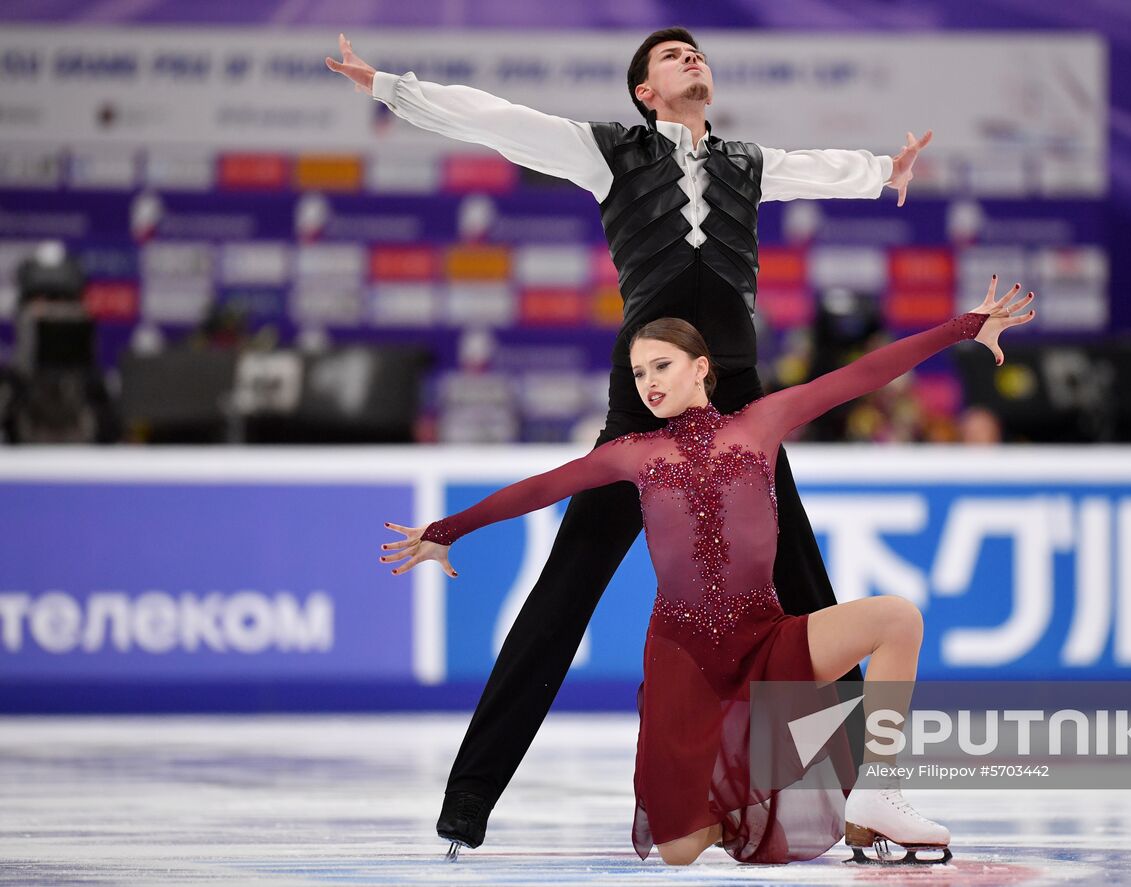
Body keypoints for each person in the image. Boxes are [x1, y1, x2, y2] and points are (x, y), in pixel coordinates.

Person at [327, 27, 937, 849]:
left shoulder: (747, 164)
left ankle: (864, 801)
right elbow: (499, 119)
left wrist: (880, 173)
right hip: (646, 398)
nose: (693, 60)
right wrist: (391, 87)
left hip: (740, 402)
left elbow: (820, 166)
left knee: (807, 585)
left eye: (697, 53)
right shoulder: (605, 151)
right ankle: (468, 800)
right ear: (644, 90)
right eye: (672, 56)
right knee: (565, 589)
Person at [381, 277, 1035, 864]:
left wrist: (963, 327)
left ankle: (878, 792)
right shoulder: (632, 452)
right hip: (685, 667)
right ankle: (732, 782)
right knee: (680, 850)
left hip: (764, 641)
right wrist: (445, 531)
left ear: (702, 368)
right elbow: (540, 488)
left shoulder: (762, 423)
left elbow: (861, 376)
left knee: (897, 618)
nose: (649, 383)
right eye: (638, 374)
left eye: (662, 365)